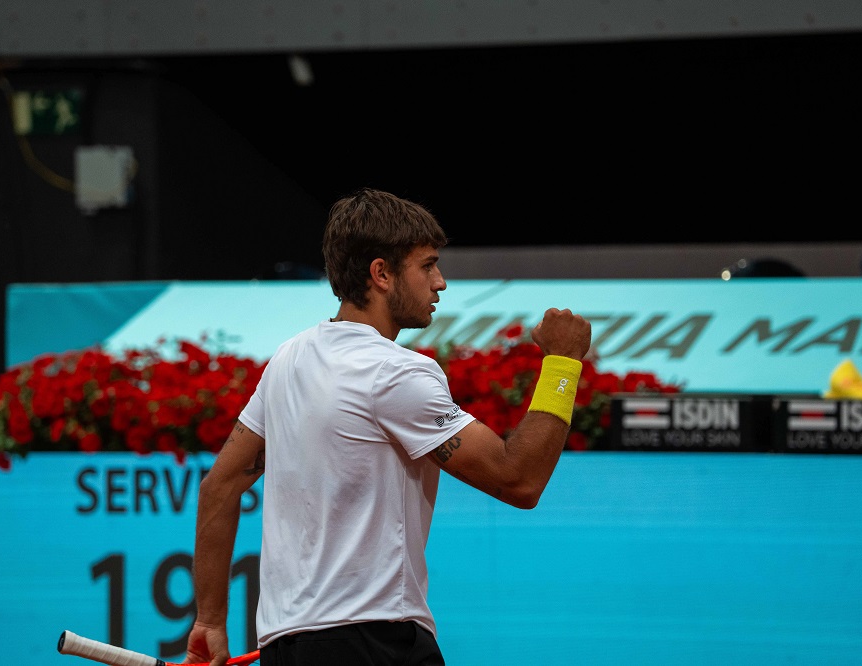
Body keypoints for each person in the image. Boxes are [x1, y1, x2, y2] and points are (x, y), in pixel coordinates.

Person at [185, 188, 592, 666]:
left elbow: (218, 487)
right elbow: (519, 479)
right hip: (375, 642)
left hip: (286, 646)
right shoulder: (396, 373)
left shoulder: (289, 360)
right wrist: (563, 364)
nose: (440, 283)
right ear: (381, 274)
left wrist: (210, 621)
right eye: (427, 266)